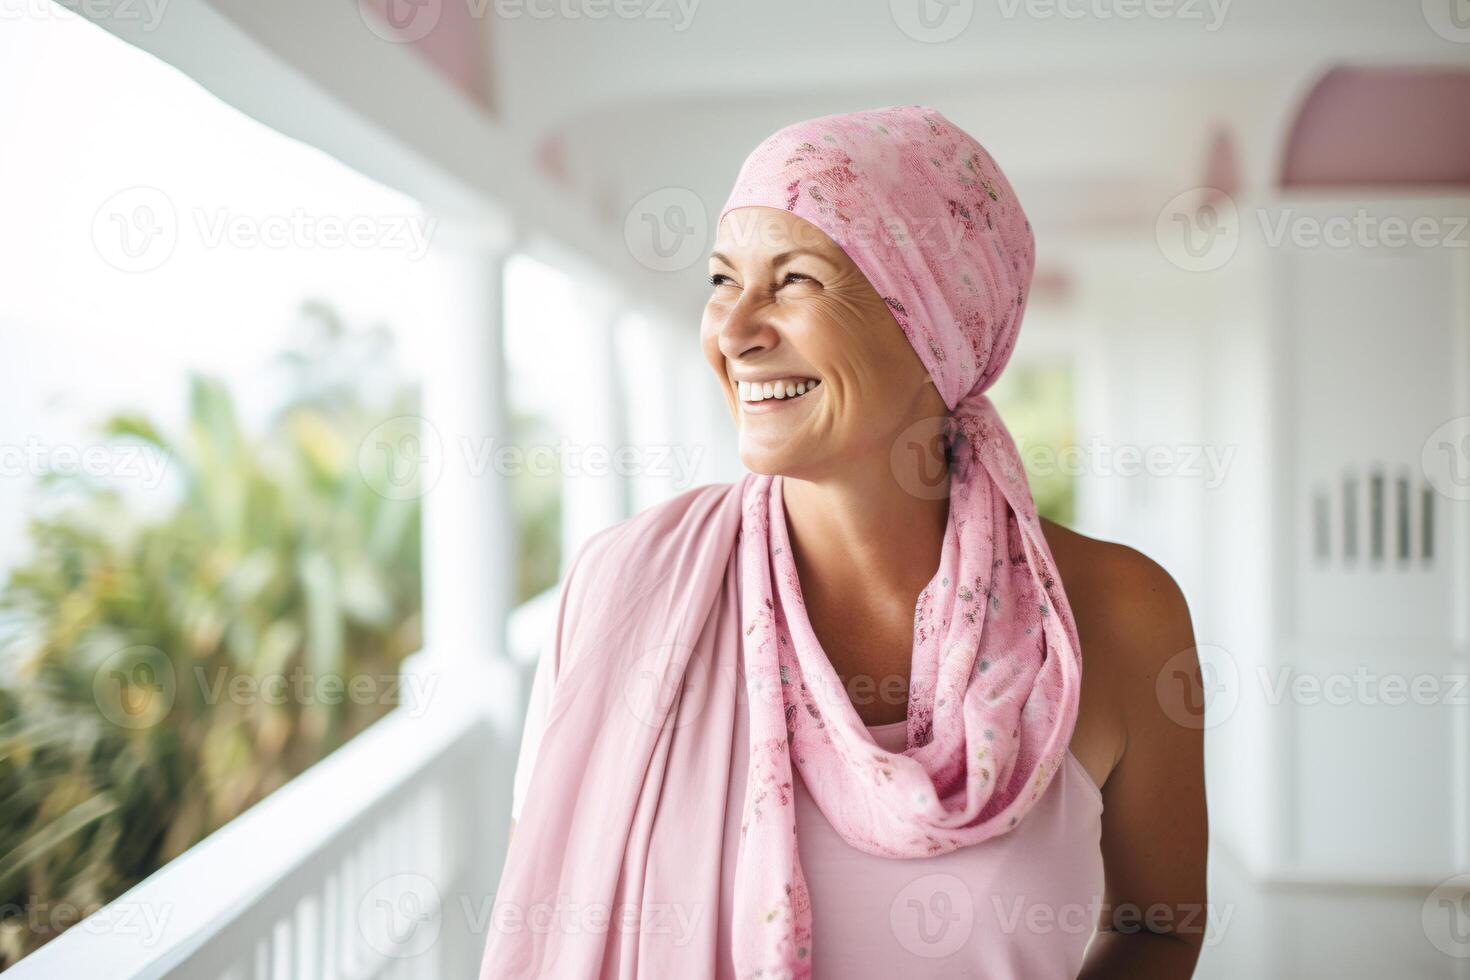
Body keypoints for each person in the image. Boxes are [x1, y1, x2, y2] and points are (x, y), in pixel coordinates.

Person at [483, 104, 1208, 979]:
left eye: (794, 281)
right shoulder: (622, 592)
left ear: (935, 323)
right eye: (722, 279)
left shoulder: (1121, 613)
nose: (734, 331)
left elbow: (1159, 927)